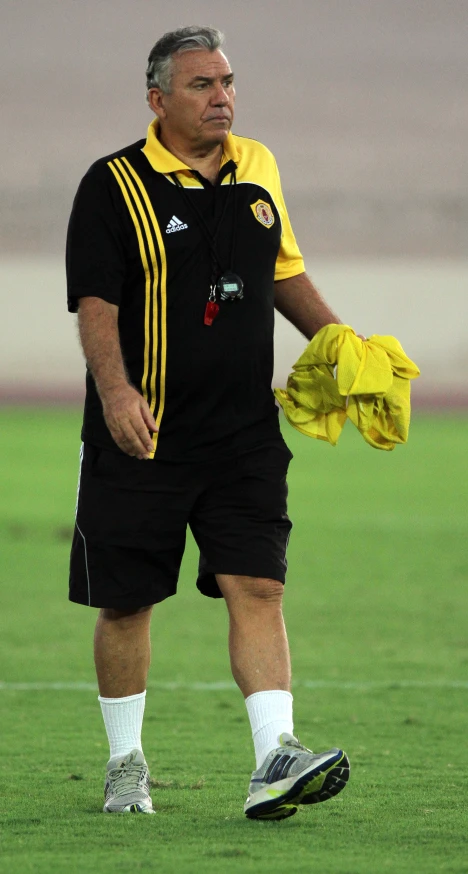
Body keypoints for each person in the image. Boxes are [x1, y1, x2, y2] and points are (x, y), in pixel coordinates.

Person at [66, 25, 350, 820]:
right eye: (201, 85)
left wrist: (339, 344)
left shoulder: (258, 168)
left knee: (258, 583)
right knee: (127, 602)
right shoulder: (113, 184)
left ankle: (273, 759)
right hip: (143, 431)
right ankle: (126, 765)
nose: (222, 96)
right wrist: (118, 394)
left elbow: (283, 268)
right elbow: (96, 304)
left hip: (244, 432)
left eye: (227, 82)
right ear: (158, 99)